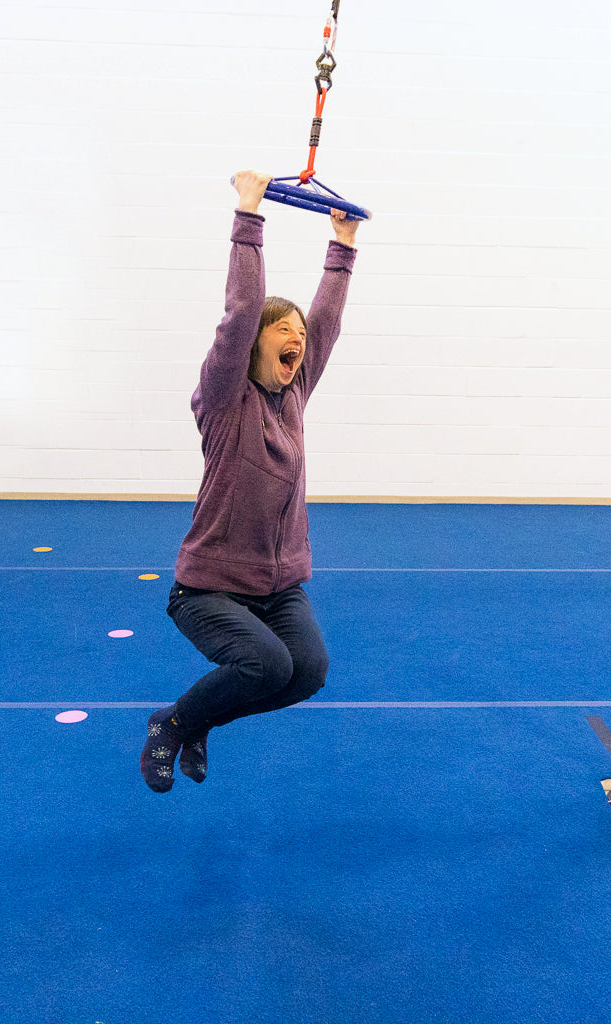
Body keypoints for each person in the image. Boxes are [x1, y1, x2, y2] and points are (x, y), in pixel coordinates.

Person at [141, 170, 361, 793]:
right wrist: (249, 215)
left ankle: (199, 721)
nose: (297, 336)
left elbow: (327, 324)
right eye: (282, 328)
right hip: (209, 589)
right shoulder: (224, 400)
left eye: (299, 331)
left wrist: (342, 246)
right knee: (264, 663)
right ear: (254, 346)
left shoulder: (295, 394)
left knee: (306, 671)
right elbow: (239, 314)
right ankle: (174, 722)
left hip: (278, 587)